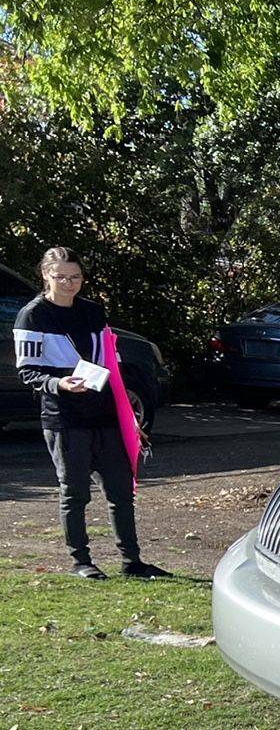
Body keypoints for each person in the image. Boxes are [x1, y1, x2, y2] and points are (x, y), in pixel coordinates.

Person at [12, 246, 168, 580]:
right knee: (75, 492)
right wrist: (60, 383)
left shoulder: (93, 311)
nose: (69, 283)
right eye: (61, 277)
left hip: (105, 412)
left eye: (76, 277)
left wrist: (123, 401)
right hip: (64, 417)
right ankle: (81, 562)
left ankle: (132, 562)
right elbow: (28, 371)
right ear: (45, 276)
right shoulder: (33, 315)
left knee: (121, 491)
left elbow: (107, 358)